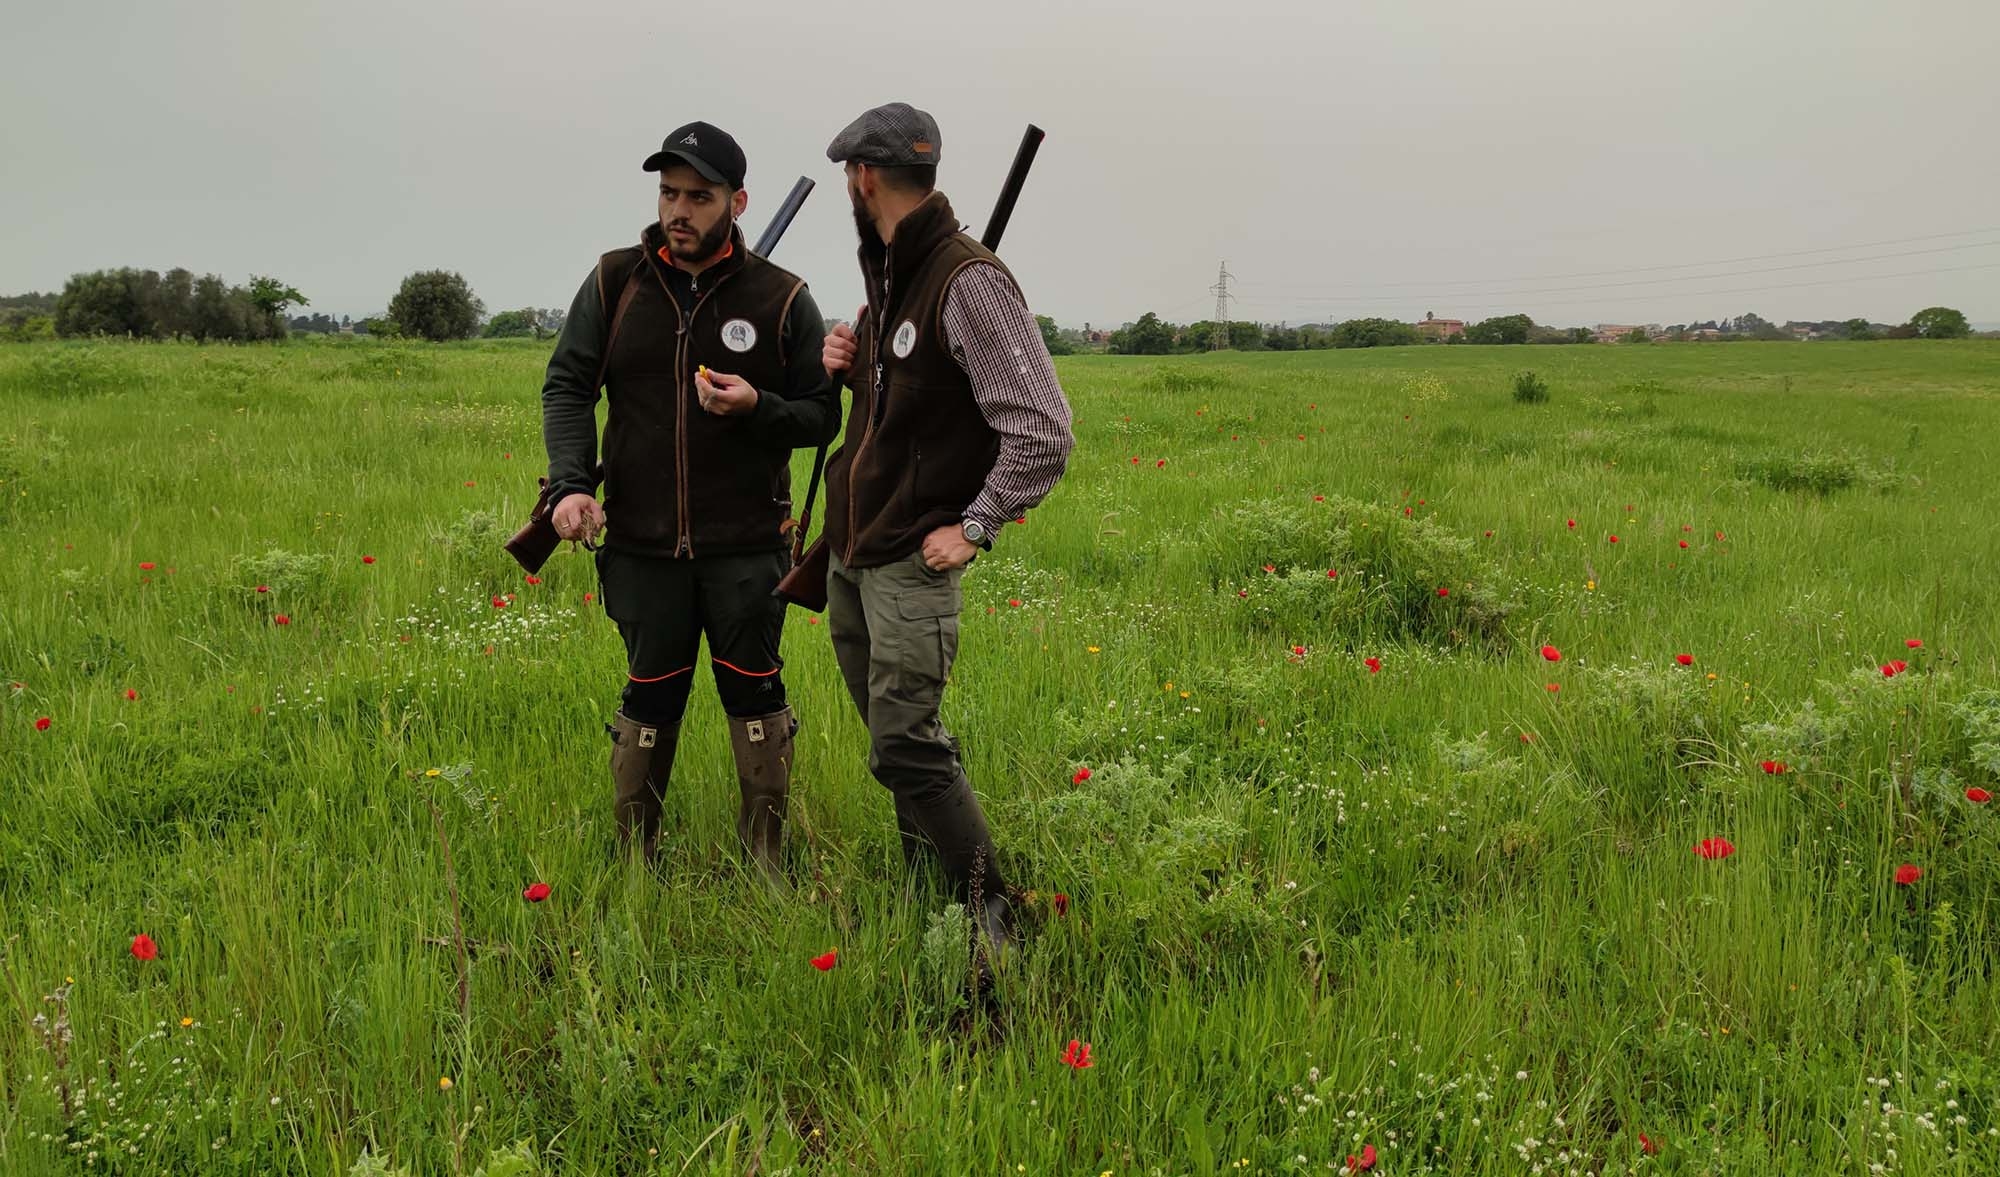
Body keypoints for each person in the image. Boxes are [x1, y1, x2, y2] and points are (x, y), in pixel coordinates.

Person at [539, 120, 836, 877]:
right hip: (640, 545)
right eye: (669, 192)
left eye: (698, 196)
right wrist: (570, 484)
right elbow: (568, 385)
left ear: (736, 201)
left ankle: (765, 864)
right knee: (648, 701)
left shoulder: (783, 298)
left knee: (756, 701)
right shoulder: (614, 283)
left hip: (746, 550)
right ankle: (636, 864)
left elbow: (822, 415)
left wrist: (757, 407)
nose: (679, 209)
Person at [819, 103, 1074, 957]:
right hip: (857, 555)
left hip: (910, 562)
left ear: (863, 179)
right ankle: (932, 894)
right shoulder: (893, 274)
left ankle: (992, 915)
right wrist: (859, 374)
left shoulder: (967, 280)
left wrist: (976, 524)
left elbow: (1043, 429)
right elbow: (915, 417)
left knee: (907, 741)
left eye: (848, 180)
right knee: (897, 747)